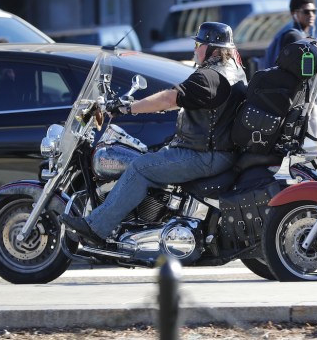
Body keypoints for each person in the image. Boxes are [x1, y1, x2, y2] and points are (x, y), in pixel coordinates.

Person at [61, 22, 248, 244]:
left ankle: (96, 227)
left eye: (199, 44)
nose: (195, 49)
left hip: (205, 155)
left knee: (140, 167)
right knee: (148, 155)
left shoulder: (209, 77)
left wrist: (128, 108)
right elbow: (181, 100)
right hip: (214, 151)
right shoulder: (232, 71)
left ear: (214, 49)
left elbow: (170, 98)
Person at [264, 0, 317, 151]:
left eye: (314, 11)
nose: (311, 15)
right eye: (306, 11)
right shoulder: (294, 38)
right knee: (313, 147)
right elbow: (298, 74)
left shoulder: (299, 36)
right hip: (301, 105)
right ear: (294, 14)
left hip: (296, 103)